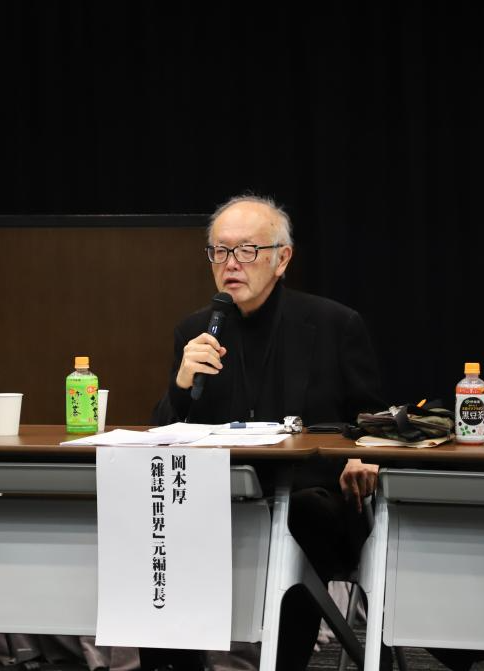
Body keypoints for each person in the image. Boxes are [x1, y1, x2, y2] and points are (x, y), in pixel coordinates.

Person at [150, 194, 385, 671]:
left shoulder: (334, 324)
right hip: (220, 500)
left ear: (282, 259)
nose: (230, 263)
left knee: (301, 517)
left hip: (314, 499)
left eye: (246, 250)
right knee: (157, 520)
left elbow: (372, 422)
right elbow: (164, 432)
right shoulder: (196, 331)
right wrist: (181, 386)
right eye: (220, 251)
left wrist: (364, 455)